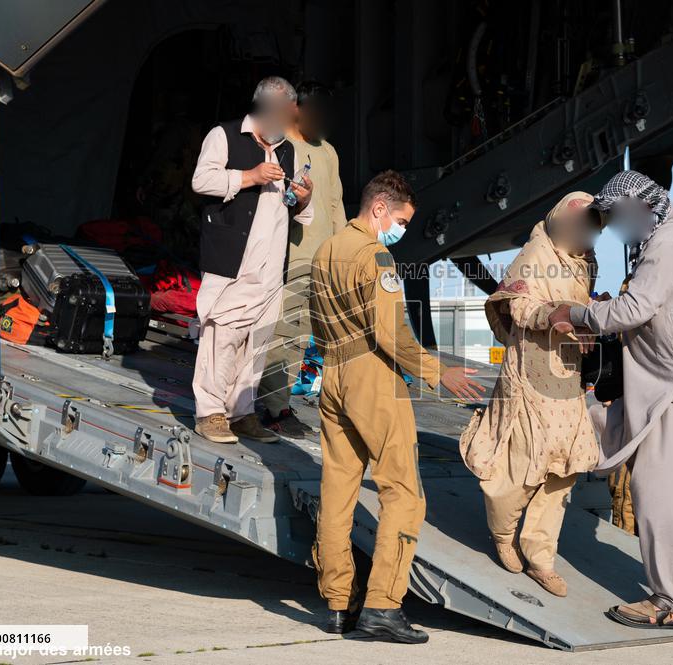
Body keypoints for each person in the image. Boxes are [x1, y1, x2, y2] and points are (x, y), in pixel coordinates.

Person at [549, 170, 673, 629]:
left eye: (616, 215)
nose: (614, 226)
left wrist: (576, 313)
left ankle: (666, 601)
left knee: (654, 493)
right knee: (671, 486)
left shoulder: (668, 242)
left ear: (639, 207)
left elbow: (636, 309)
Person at [308, 170, 484, 643]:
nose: (401, 230)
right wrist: (435, 371)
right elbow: (392, 333)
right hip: (371, 375)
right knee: (403, 494)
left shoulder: (327, 249)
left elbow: (315, 319)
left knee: (338, 492)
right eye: (401, 220)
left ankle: (337, 603)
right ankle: (383, 606)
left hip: (333, 373)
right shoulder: (375, 256)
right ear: (380, 208)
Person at [459, 192, 601, 597]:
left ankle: (541, 556)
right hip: (529, 376)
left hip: (566, 376)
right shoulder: (535, 253)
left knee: (564, 468)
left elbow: (578, 304)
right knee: (524, 463)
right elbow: (516, 306)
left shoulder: (583, 259)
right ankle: (502, 531)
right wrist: (552, 317)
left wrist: (590, 314)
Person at [190, 77, 313, 444]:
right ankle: (210, 412)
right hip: (234, 260)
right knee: (222, 335)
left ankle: (241, 413)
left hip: (272, 267)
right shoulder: (224, 135)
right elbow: (201, 181)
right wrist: (250, 176)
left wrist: (304, 197)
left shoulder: (288, 149)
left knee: (255, 342)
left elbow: (297, 211)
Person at [258, 81, 348, 438]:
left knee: (302, 334)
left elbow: (335, 205)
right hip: (288, 257)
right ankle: (274, 407)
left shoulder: (328, 151)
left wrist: (342, 251)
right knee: (282, 332)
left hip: (321, 259)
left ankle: (279, 403)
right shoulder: (280, 147)